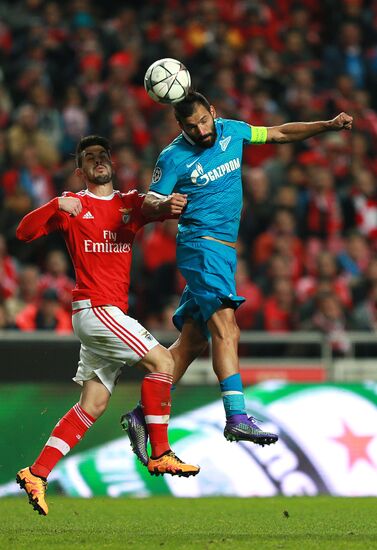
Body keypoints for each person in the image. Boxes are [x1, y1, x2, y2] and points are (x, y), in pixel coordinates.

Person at [123, 91, 353, 465]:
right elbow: (149, 201)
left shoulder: (233, 131)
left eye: (203, 121)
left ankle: (141, 415)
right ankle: (237, 416)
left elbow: (279, 133)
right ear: (179, 127)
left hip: (223, 252)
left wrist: (326, 126)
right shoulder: (172, 157)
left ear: (212, 113)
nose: (200, 130)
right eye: (191, 126)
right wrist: (165, 206)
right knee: (227, 330)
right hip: (201, 248)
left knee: (193, 343)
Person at [15, 135, 199, 516]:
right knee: (163, 363)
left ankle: (36, 472)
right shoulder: (74, 205)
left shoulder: (127, 203)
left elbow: (158, 206)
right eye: (89, 158)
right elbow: (23, 233)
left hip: (108, 314)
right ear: (80, 171)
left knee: (93, 404)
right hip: (95, 309)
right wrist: (53, 205)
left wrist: (171, 203)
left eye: (103, 155)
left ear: (111, 164)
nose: (98, 161)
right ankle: (160, 452)